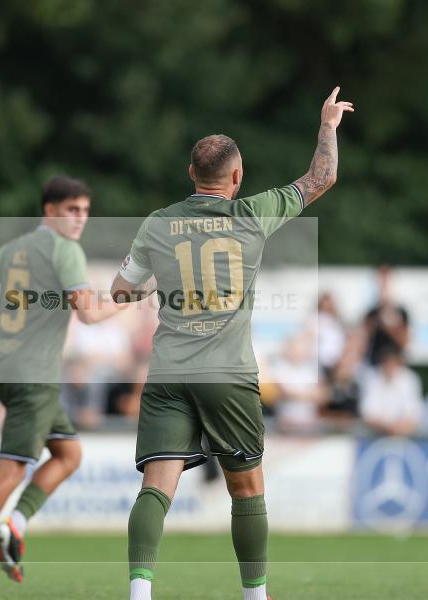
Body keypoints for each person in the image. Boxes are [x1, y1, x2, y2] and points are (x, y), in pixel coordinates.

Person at [110, 87, 353, 600]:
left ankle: (139, 593)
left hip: (170, 373)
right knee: (246, 489)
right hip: (228, 373)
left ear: (190, 174)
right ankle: (255, 596)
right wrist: (327, 125)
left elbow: (122, 290)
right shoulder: (252, 214)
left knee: (156, 486)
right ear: (237, 178)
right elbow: (321, 178)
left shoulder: (158, 223)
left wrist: (157, 278)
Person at [0, 176, 126, 597]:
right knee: (13, 467)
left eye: (85, 211)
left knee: (68, 453)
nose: (80, 219)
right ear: (49, 211)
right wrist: (132, 298)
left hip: (9, 369)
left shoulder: (16, 247)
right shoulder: (65, 250)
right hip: (33, 377)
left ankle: (14, 525)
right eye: (72, 210)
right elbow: (89, 315)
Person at [359, 347, 424, 436]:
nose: (390, 367)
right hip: (374, 435)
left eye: (393, 364)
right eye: (387, 363)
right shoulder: (371, 378)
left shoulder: (410, 379)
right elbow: (367, 414)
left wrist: (399, 428)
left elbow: (414, 413)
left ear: (399, 364)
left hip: (404, 436)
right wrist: (388, 428)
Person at [363, 266, 410, 366]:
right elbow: (364, 343)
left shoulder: (401, 312)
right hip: (375, 366)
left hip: (396, 368)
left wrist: (388, 326)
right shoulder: (371, 313)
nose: (383, 285)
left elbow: (404, 342)